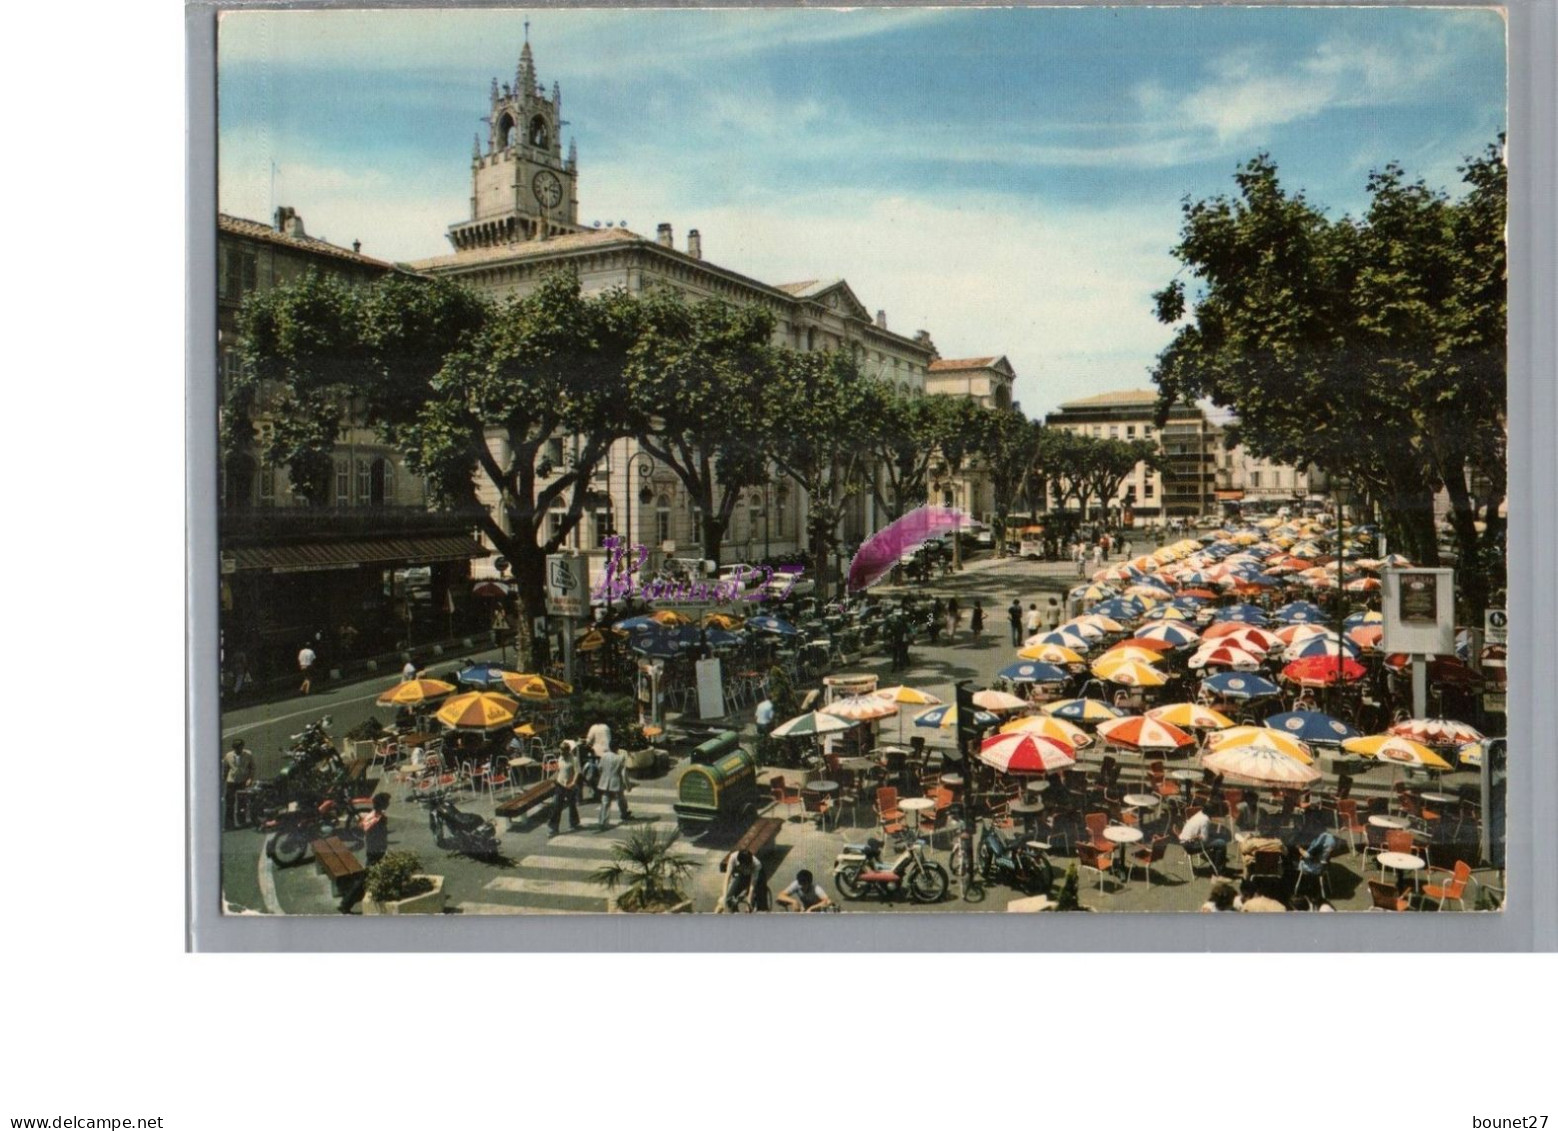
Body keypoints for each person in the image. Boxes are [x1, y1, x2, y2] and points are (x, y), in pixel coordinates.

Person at [340, 793, 392, 914]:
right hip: (375, 852)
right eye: (387, 802)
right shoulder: (377, 819)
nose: (389, 804)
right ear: (383, 804)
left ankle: (347, 903)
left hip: (374, 851)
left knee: (370, 876)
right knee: (364, 879)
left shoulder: (373, 816)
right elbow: (374, 836)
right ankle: (345, 904)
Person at [1179, 804, 1230, 876]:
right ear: (1211, 812)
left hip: (1185, 841)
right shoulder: (1205, 820)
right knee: (1221, 843)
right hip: (1190, 845)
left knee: (1216, 841)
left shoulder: (1199, 814)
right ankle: (1219, 870)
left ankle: (1215, 865)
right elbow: (1204, 839)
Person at [546, 741, 582, 836]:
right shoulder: (560, 758)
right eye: (560, 750)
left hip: (570, 785)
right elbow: (559, 770)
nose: (561, 753)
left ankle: (574, 822)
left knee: (572, 805)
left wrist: (573, 783)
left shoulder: (574, 759)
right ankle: (553, 828)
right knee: (557, 806)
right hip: (560, 785)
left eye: (563, 751)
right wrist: (553, 778)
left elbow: (577, 772)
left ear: (568, 750)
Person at [595, 745, 632, 830]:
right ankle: (624, 813)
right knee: (621, 798)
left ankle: (603, 822)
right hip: (616, 782)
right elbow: (623, 773)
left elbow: (600, 767)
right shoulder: (620, 758)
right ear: (617, 749)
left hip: (605, 782)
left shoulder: (604, 756)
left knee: (605, 802)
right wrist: (628, 785)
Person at [222, 739, 254, 830]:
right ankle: (229, 824)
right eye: (236, 749)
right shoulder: (228, 756)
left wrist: (250, 778)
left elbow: (252, 768)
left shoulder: (248, 754)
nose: (238, 750)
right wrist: (224, 780)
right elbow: (225, 768)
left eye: (240, 748)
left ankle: (242, 821)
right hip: (231, 781)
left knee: (242, 802)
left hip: (242, 781)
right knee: (229, 803)